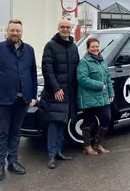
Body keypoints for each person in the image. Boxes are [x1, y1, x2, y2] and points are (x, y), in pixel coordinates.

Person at [0, 19, 37, 182]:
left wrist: (33, 96)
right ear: (7, 31)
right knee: (2, 132)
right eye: (12, 30)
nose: (15, 33)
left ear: (22, 32)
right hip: (2, 99)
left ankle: (13, 161)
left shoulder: (29, 50)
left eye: (18, 31)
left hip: (22, 100)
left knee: (16, 131)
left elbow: (32, 74)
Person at [41, 19, 79, 169]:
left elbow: (77, 68)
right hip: (56, 93)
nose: (65, 29)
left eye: (67, 27)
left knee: (63, 121)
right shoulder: (50, 46)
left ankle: (58, 152)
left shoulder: (73, 47)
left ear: (71, 29)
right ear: (58, 28)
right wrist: (56, 88)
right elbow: (47, 70)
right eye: (62, 27)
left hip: (69, 92)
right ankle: (51, 155)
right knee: (53, 123)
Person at [77, 38, 114, 155]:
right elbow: (82, 79)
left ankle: (97, 144)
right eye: (92, 46)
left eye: (97, 46)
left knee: (106, 118)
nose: (95, 48)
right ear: (88, 48)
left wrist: (111, 93)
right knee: (88, 121)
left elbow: (107, 79)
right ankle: (87, 147)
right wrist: (99, 85)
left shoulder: (102, 61)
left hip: (103, 97)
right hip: (89, 97)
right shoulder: (84, 62)